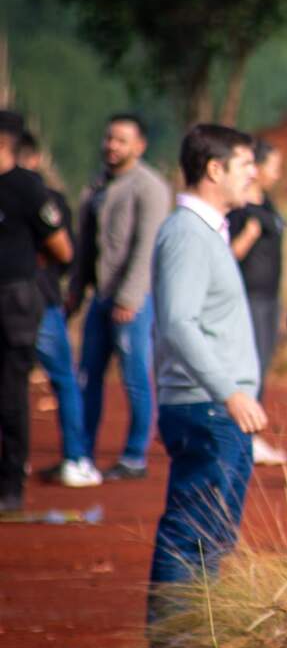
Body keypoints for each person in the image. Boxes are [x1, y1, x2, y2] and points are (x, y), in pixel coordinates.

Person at [147, 124, 266, 636]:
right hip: (208, 407)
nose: (254, 175)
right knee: (194, 535)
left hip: (212, 406)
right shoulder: (187, 234)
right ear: (214, 170)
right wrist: (230, 392)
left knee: (210, 535)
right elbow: (178, 322)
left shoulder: (205, 231)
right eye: (245, 165)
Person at [67, 113, 171, 481]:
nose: (112, 146)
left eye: (121, 140)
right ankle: (81, 455)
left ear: (139, 146)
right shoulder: (96, 187)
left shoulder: (150, 187)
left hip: (134, 302)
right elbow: (84, 249)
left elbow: (147, 248)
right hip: (100, 296)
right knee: (87, 374)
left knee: (134, 377)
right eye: (109, 138)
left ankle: (134, 455)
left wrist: (129, 297)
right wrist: (76, 292)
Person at [0, 111, 74, 512]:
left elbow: (63, 248)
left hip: (14, 301)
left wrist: (27, 268)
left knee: (12, 394)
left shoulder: (27, 189)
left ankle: (11, 487)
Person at [16, 132, 99, 487]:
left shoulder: (43, 198)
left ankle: (74, 457)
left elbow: (67, 252)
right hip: (39, 300)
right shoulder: (47, 196)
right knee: (57, 379)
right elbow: (68, 256)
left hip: (39, 301)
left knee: (56, 379)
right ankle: (75, 458)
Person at [226, 137, 287, 465]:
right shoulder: (241, 210)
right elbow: (230, 255)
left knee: (262, 366)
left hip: (268, 298)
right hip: (248, 299)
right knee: (249, 368)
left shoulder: (267, 204)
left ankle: (250, 436)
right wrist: (248, 234)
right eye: (272, 167)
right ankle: (244, 435)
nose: (276, 174)